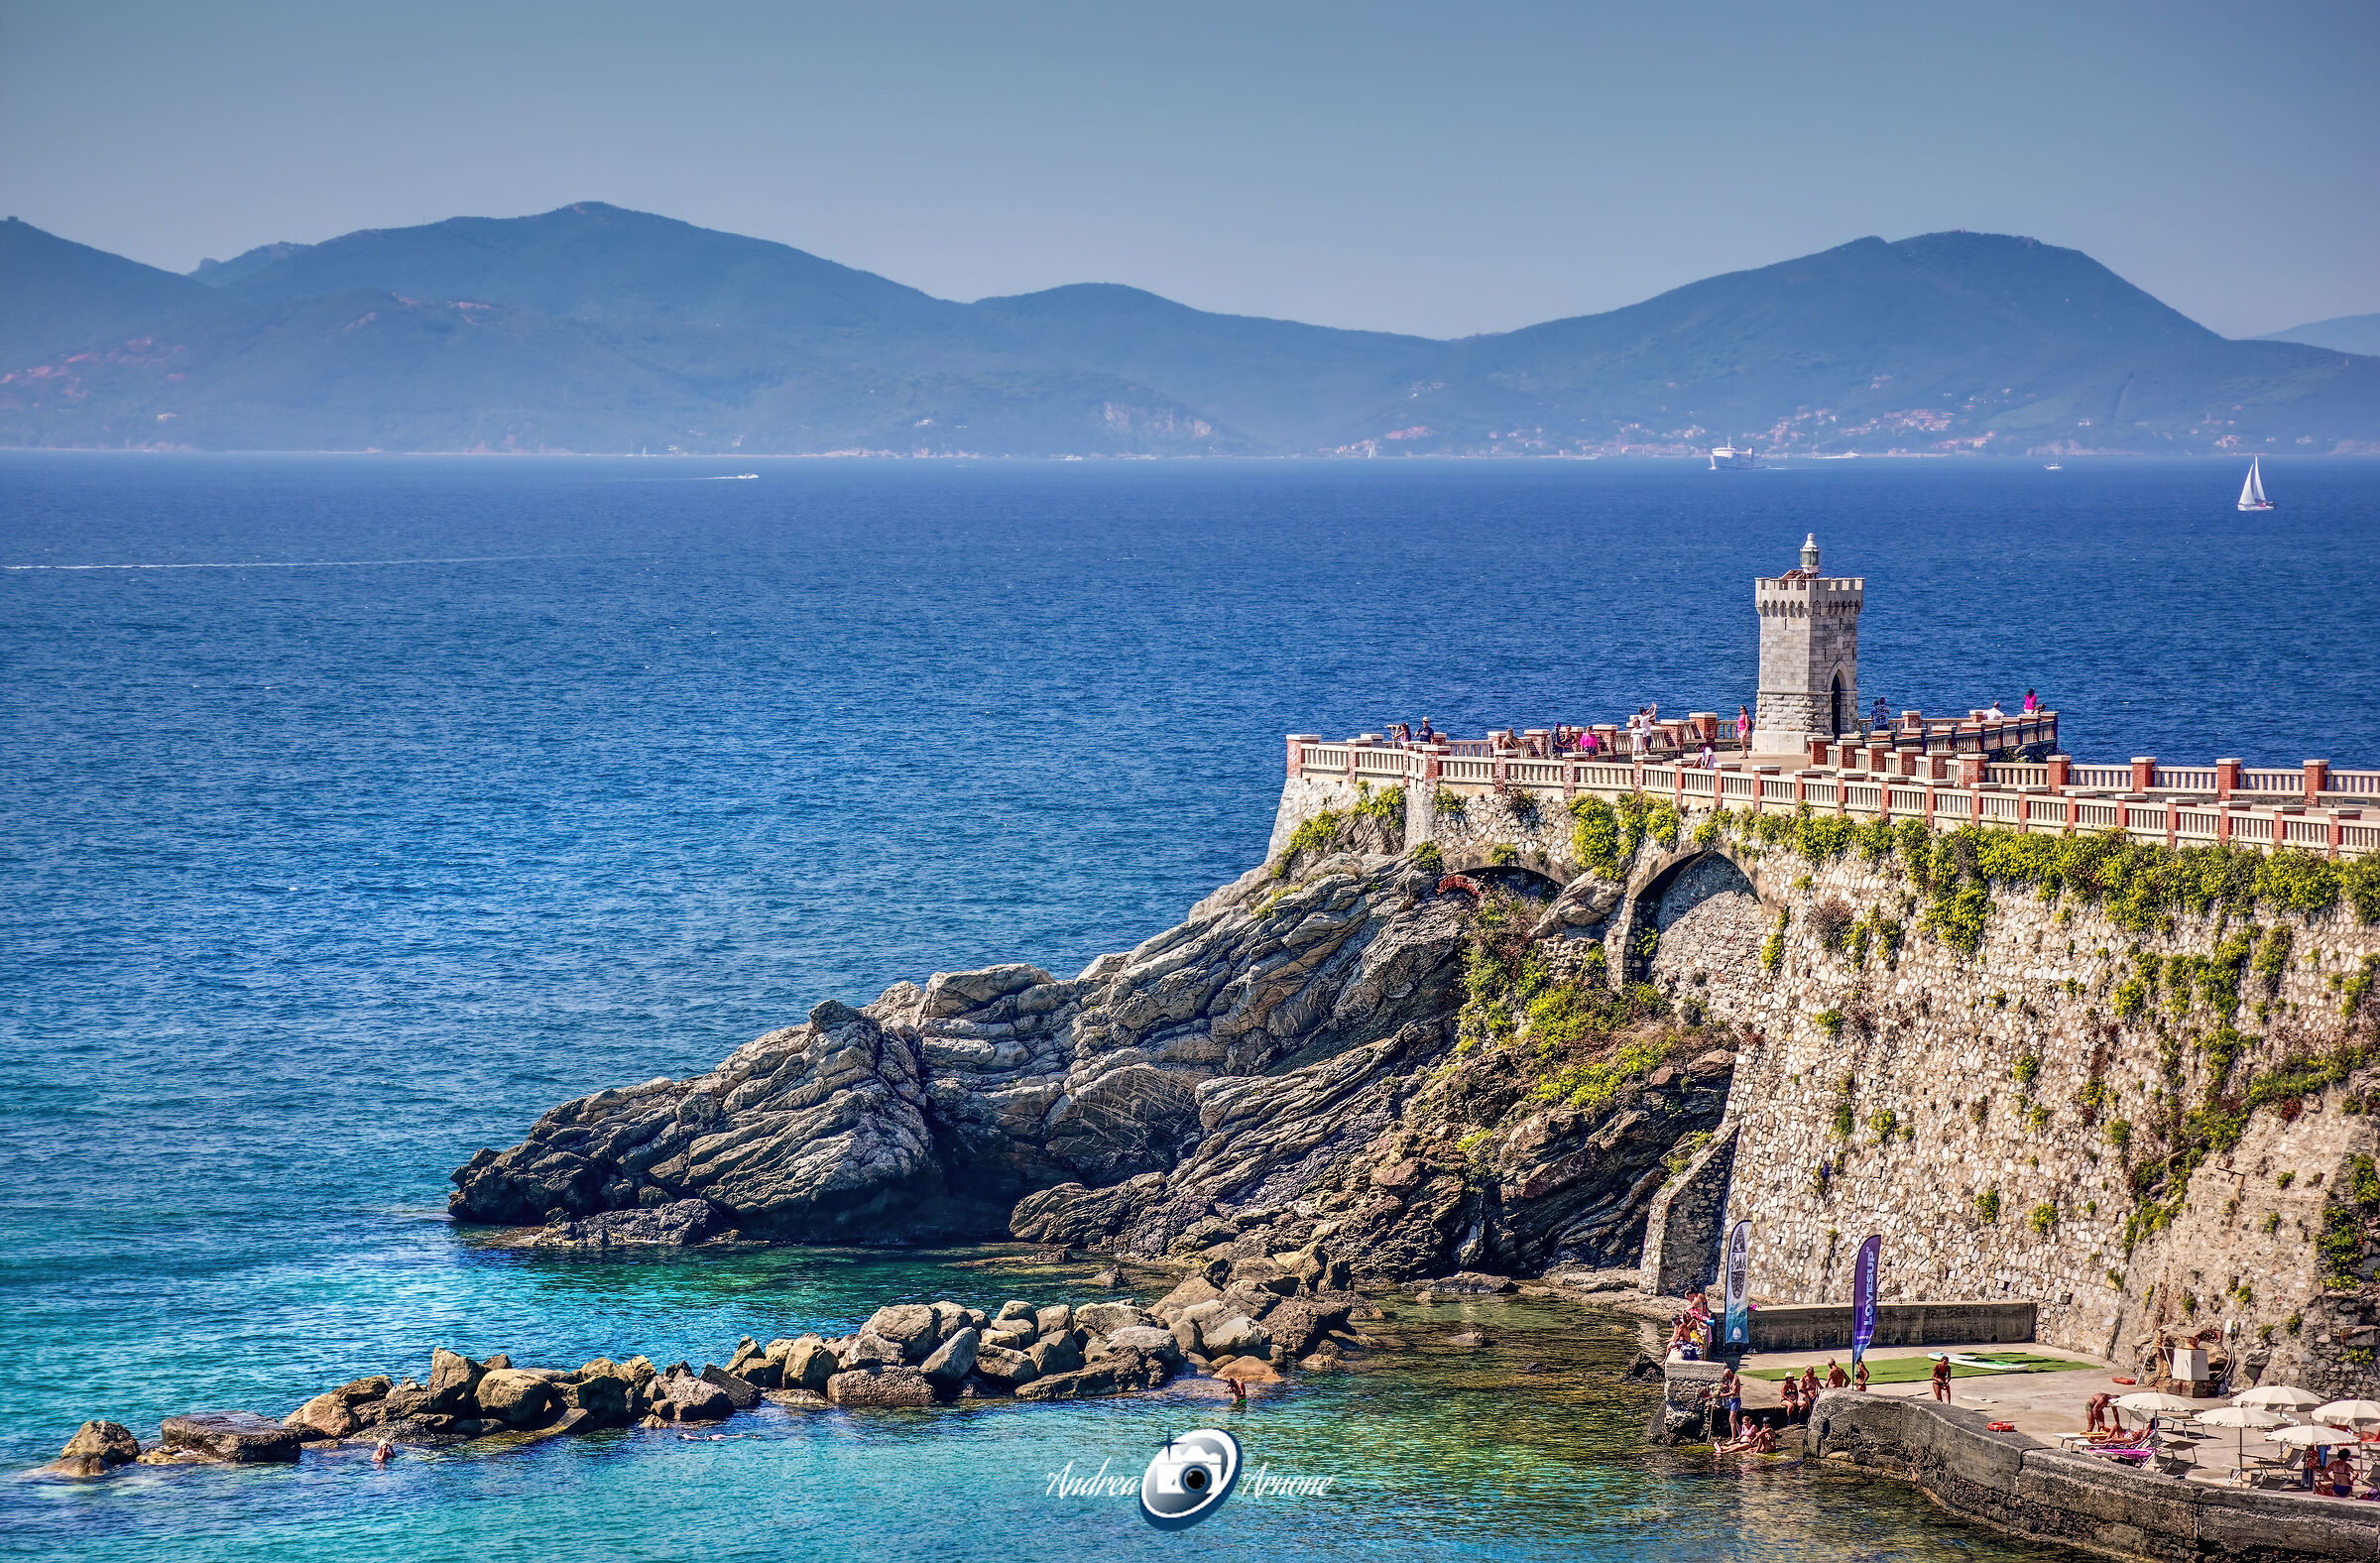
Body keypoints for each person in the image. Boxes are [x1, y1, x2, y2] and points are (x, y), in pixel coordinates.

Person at [1717, 1365, 1742, 1441]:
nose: (1725, 1378)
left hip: (1736, 1400)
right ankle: (1740, 1434)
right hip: (1732, 1401)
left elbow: (1733, 1392)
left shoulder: (1735, 1379)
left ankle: (1733, 1438)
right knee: (1733, 1419)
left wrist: (1722, 1395)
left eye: (1726, 1376)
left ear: (1730, 1374)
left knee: (1731, 1419)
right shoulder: (1729, 1379)